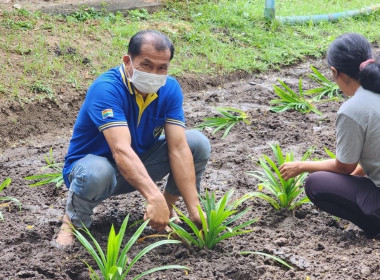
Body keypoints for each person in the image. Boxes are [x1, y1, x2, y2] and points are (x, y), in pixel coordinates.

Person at [56, 30, 211, 246]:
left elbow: (178, 148)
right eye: (146, 65)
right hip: (93, 173)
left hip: (137, 166)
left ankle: (165, 210)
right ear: (127, 61)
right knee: (97, 171)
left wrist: (195, 210)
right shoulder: (106, 89)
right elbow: (120, 150)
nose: (154, 73)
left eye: (161, 68)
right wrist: (153, 196)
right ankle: (71, 223)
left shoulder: (170, 89)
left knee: (196, 143)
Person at [279, 33, 380, 239]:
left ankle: (375, 226)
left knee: (317, 183)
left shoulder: (353, 109)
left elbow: (344, 167)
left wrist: (301, 166)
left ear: (335, 72)